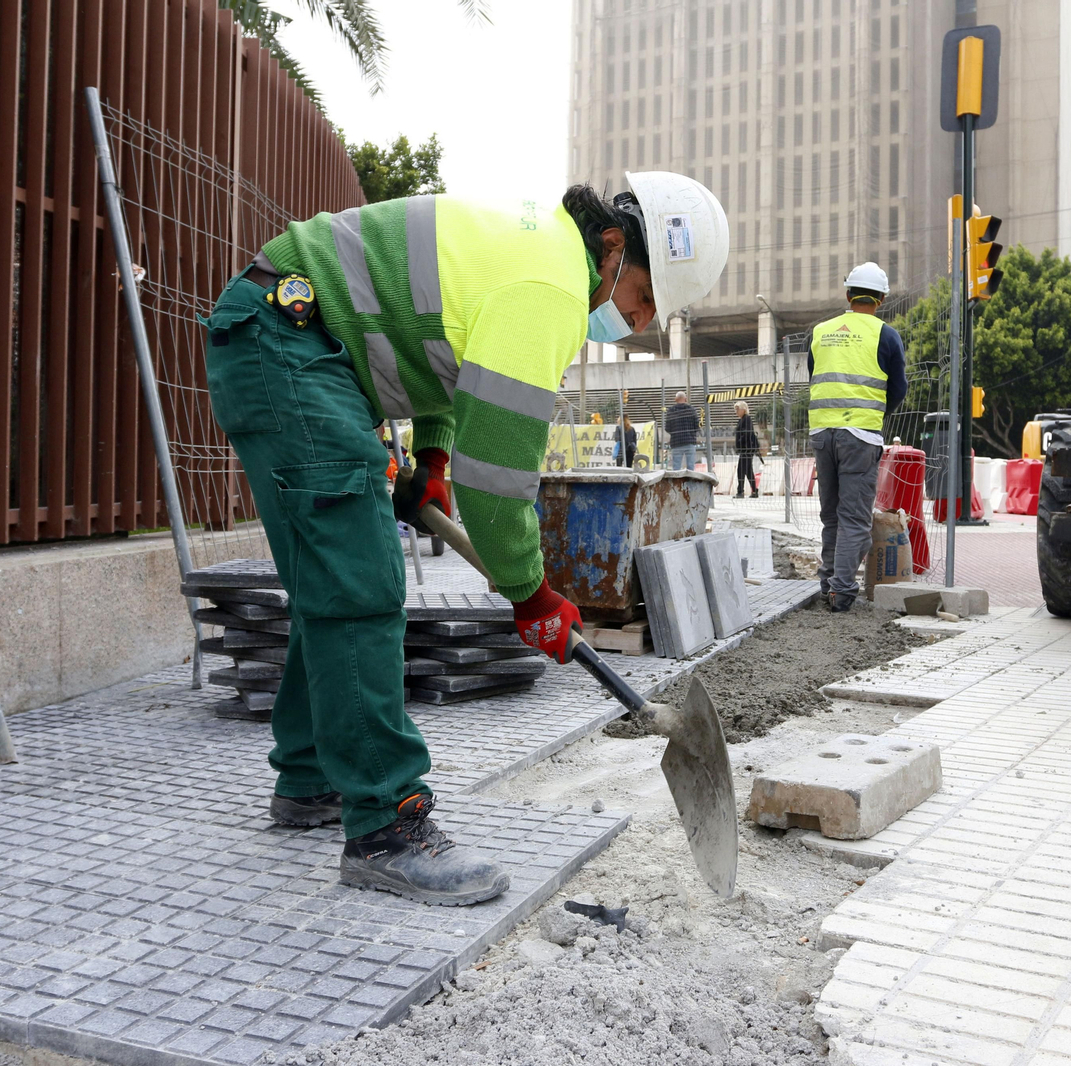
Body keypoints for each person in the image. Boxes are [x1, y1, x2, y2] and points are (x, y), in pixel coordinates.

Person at [202, 173, 728, 904]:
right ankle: (387, 825)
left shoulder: (533, 247)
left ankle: (310, 776)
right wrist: (531, 594)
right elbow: (499, 480)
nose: (637, 323)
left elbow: (446, 362)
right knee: (361, 584)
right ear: (613, 247)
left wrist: (434, 459)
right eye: (641, 299)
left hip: (290, 335)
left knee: (334, 579)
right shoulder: (548, 286)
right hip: (290, 338)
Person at [808, 262, 907, 612]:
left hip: (822, 434)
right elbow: (898, 389)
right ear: (880, 299)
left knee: (832, 516)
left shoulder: (821, 331)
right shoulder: (886, 334)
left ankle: (828, 585)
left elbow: (815, 377)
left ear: (848, 294)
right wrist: (875, 414)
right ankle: (842, 592)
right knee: (853, 519)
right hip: (860, 436)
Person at [666, 391, 700, 470]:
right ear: (685, 399)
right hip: (690, 441)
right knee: (691, 467)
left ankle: (677, 482)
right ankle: (690, 482)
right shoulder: (691, 410)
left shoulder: (671, 411)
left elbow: (667, 428)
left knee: (676, 468)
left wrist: (674, 433)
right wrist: (691, 433)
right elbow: (697, 426)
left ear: (675, 399)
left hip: (676, 442)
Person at [733, 400, 760, 498]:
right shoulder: (742, 420)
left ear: (743, 409)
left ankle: (740, 491)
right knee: (748, 470)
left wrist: (740, 441)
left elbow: (747, 433)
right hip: (744, 449)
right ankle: (754, 491)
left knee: (741, 470)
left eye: (738, 409)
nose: (736, 412)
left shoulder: (747, 419)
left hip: (747, 449)